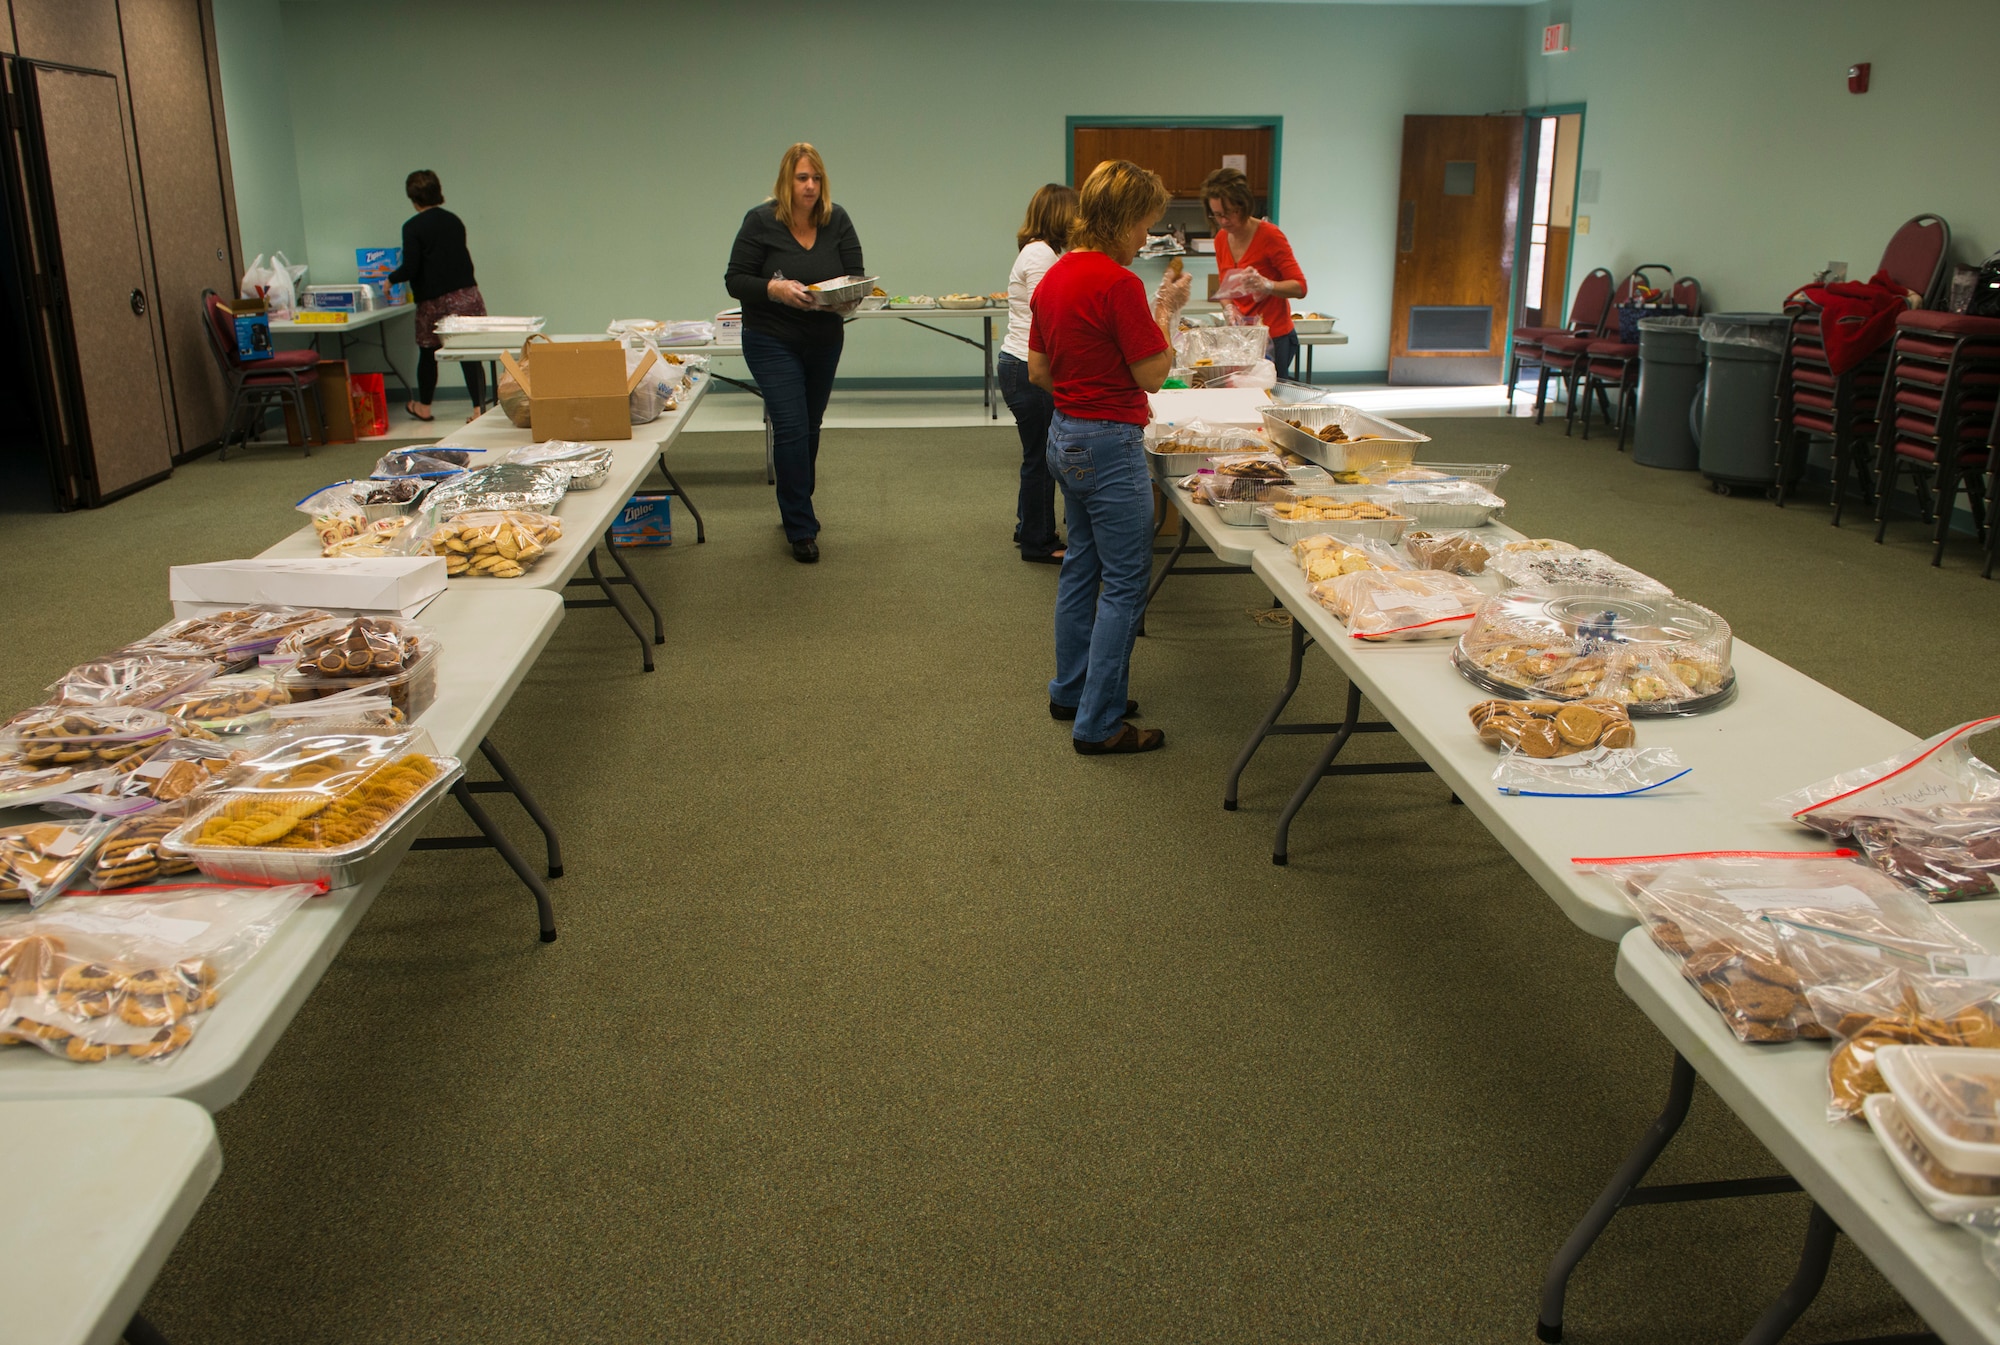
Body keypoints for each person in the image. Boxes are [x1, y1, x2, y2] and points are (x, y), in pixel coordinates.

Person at [1028, 160, 1190, 755]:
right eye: (1146, 225)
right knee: (1125, 584)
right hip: (1109, 442)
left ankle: (1071, 690)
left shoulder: (1055, 276)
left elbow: (1039, 371)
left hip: (1065, 434)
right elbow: (1152, 374)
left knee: (1081, 568)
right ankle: (1098, 723)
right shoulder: (1118, 285)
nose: (1146, 238)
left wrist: (1085, 384)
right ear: (1123, 221)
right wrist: (1166, 311)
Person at [724, 142, 865, 563]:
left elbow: (855, 274)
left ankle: (796, 501)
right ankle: (801, 526)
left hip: (823, 337)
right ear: (787, 182)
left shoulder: (836, 219)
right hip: (771, 337)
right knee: (789, 425)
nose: (810, 186)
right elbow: (735, 280)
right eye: (802, 178)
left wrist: (846, 297)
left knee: (810, 425)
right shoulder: (760, 221)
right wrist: (775, 288)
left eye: (816, 178)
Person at [999, 183, 1077, 565]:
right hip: (1027, 367)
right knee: (1043, 458)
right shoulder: (1041, 255)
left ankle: (1028, 525)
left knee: (1036, 454)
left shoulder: (1037, 251)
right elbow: (1048, 312)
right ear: (1061, 215)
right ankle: (1038, 541)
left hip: (1017, 364)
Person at [386, 170, 487, 423]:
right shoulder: (454, 220)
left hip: (434, 301)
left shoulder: (412, 227)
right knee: (470, 353)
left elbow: (411, 267)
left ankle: (424, 407)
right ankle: (478, 409)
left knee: (428, 352)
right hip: (467, 294)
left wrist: (390, 279)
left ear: (413, 199)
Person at [1202, 166, 1308, 382]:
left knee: (1269, 396)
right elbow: (1225, 289)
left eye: (1229, 213)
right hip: (1243, 339)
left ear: (1244, 205)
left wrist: (1267, 285)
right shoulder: (1221, 239)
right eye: (1217, 215)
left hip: (1274, 338)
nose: (1223, 221)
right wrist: (1229, 307)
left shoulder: (1270, 236)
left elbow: (1300, 287)